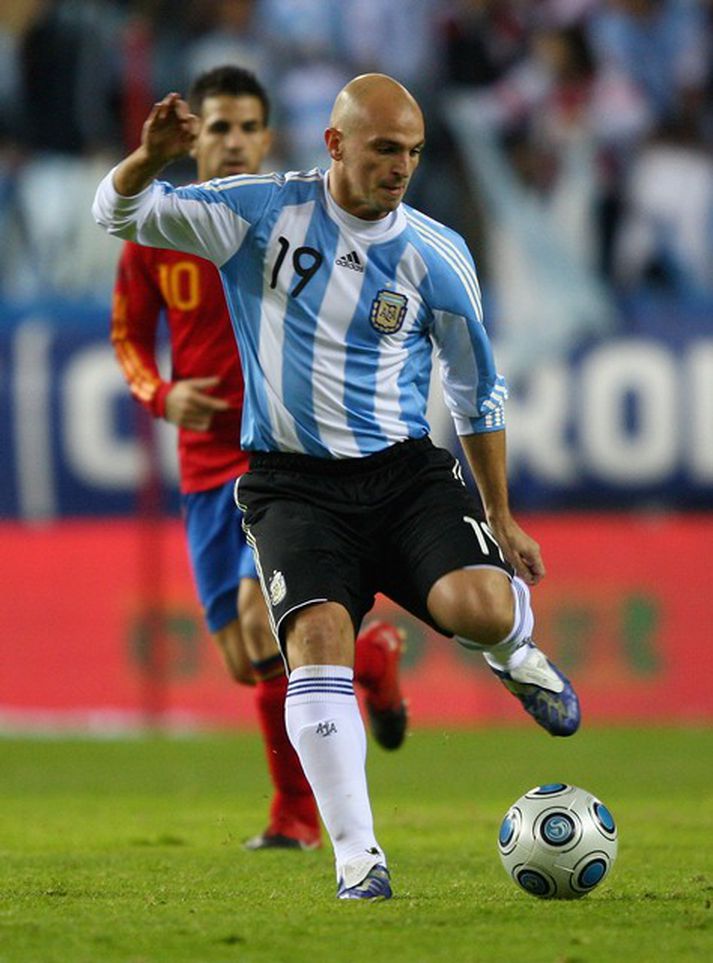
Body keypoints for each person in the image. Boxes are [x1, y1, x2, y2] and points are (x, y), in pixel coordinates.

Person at [93, 71, 581, 901]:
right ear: (335, 144)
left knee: (484, 607)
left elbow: (476, 390)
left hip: (403, 476)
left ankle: (516, 650)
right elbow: (119, 215)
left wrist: (499, 512)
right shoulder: (258, 212)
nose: (400, 166)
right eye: (385, 148)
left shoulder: (435, 254)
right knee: (302, 645)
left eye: (414, 152)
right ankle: (358, 855)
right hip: (291, 486)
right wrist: (147, 158)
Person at [109, 65, 408, 853]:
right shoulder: (158, 232)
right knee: (247, 658)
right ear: (192, 138)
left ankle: (295, 818)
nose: (234, 141)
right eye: (218, 128)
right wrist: (159, 395)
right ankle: (367, 660)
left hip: (277, 456)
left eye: (247, 127)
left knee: (259, 616)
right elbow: (128, 337)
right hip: (202, 464)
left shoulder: (288, 219)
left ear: (267, 137)